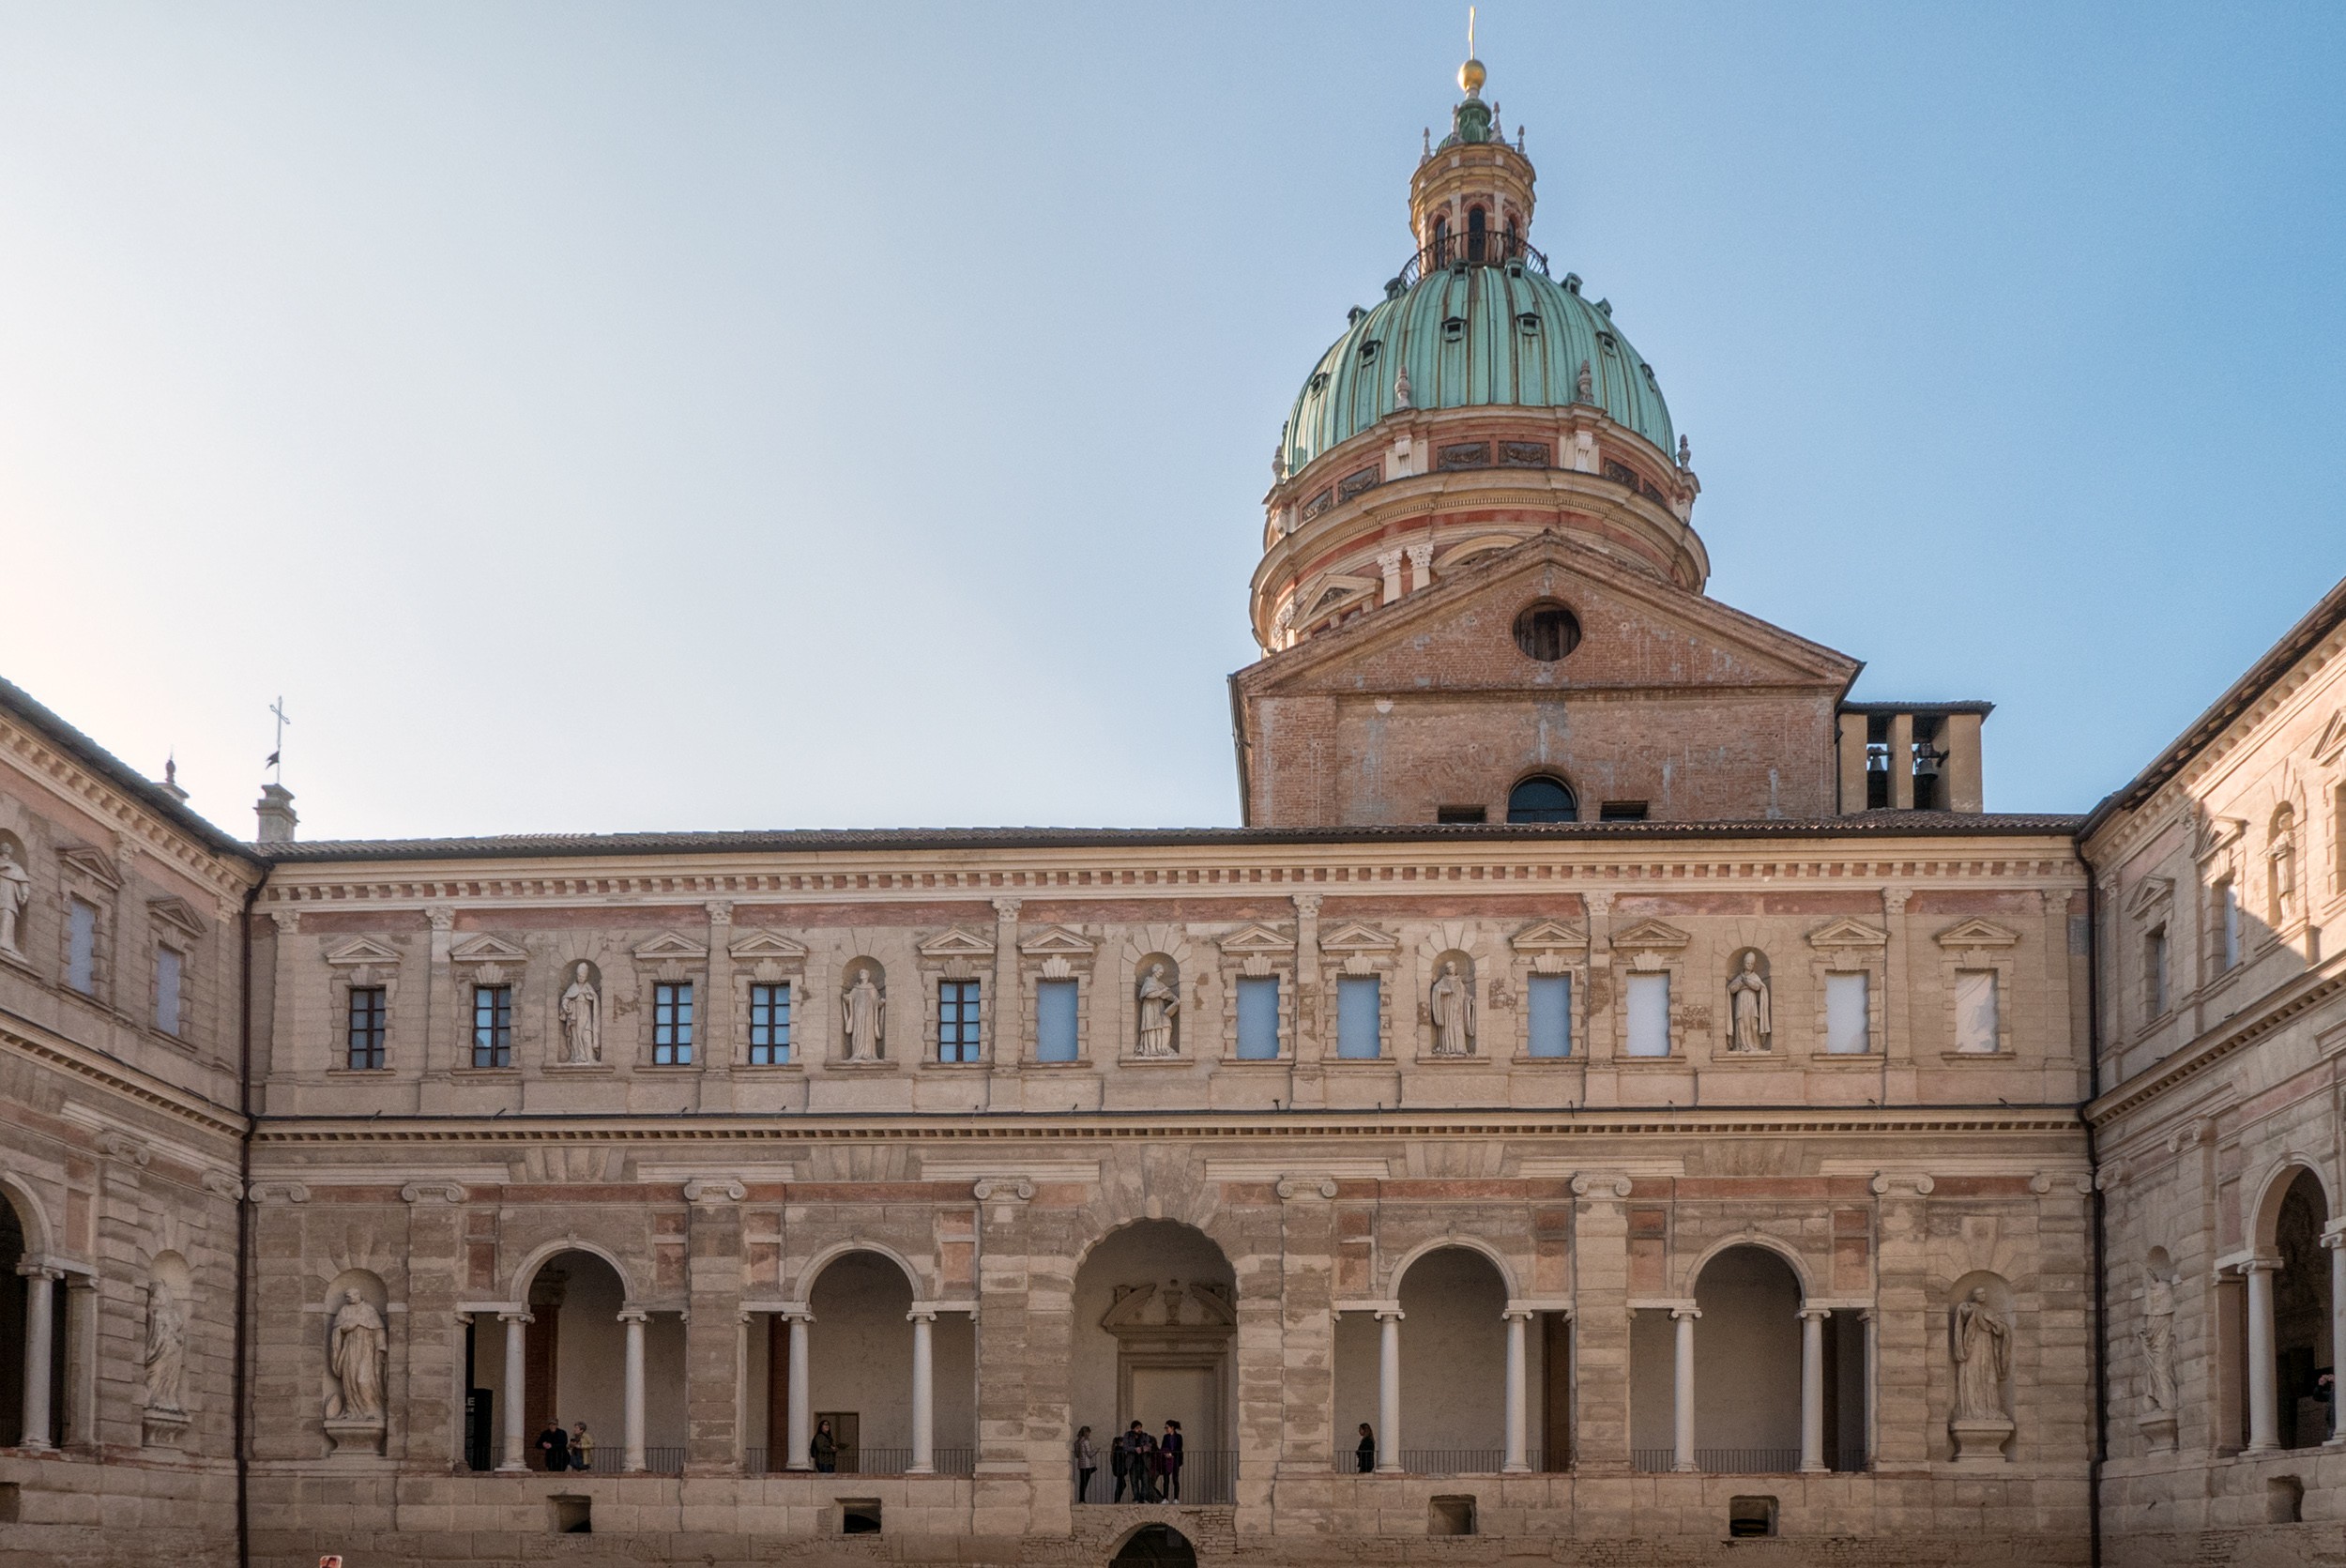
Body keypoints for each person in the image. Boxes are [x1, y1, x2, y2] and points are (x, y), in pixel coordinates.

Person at [1131, 1424, 1160, 1502]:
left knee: (1149, 1486)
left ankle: (1159, 1499)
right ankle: (1151, 1499)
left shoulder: (1152, 1451)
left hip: (1153, 1470)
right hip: (1151, 1469)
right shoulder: (1151, 1450)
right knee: (1149, 1485)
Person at [1160, 1420, 1184, 1501]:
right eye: (1165, 1428)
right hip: (1167, 1460)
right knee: (1166, 1479)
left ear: (1172, 1428)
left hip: (1175, 1459)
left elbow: (1179, 1448)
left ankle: (1176, 1498)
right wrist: (1165, 1453)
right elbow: (1163, 1447)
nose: (1166, 1429)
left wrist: (1172, 1454)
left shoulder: (1179, 1437)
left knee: (1175, 1479)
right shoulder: (1165, 1437)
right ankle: (1165, 1498)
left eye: (1167, 1427)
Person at [1074, 1425, 1097, 1503]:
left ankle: (1081, 1499)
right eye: (1089, 1432)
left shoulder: (1077, 1442)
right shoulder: (1086, 1442)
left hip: (1081, 1464)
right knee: (1085, 1482)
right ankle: (1082, 1499)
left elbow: (1076, 1455)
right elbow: (1090, 1454)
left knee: (1082, 1482)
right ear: (1086, 1433)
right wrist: (1096, 1450)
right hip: (1087, 1464)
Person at [1110, 1420, 1132, 1501]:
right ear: (1120, 1442)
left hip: (1119, 1469)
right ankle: (1117, 1499)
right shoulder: (1120, 1449)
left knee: (1121, 1484)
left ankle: (1117, 1499)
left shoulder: (1116, 1450)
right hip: (1120, 1469)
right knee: (1121, 1484)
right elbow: (1123, 1459)